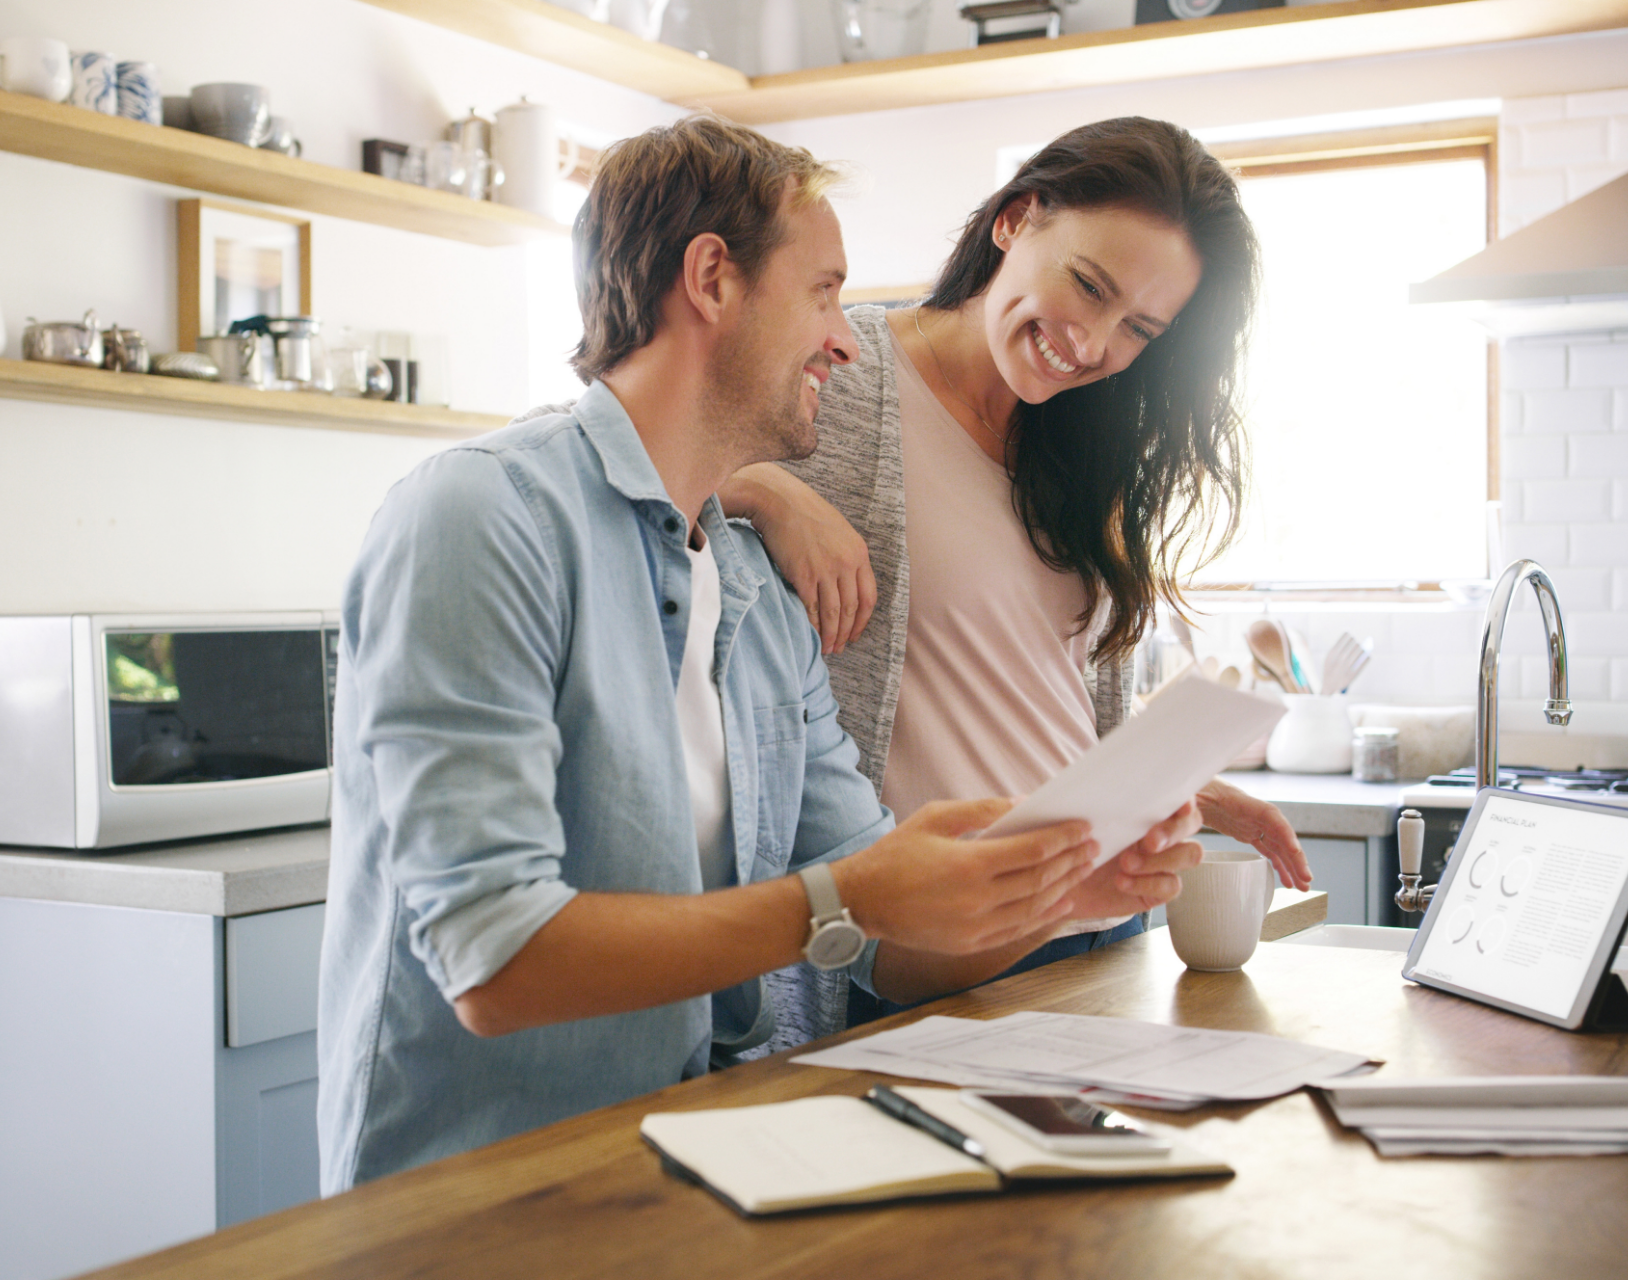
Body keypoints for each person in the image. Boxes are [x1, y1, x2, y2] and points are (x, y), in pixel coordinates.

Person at [316, 115, 1204, 1193]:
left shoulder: (755, 596)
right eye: (825, 291)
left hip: (696, 1168)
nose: (845, 337)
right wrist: (846, 895)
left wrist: (1056, 884)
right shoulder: (477, 518)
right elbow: (493, 959)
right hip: (482, 1199)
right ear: (712, 280)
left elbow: (885, 939)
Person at [717, 118, 1313, 1033]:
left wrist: (1165, 783)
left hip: (1096, 928)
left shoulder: (1086, 447)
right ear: (1016, 219)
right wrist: (765, 492)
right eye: (1088, 285)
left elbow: (1029, 697)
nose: (1093, 343)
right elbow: (633, 442)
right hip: (920, 949)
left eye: (1140, 328)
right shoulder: (841, 370)